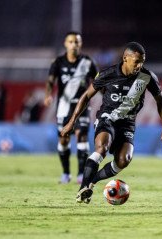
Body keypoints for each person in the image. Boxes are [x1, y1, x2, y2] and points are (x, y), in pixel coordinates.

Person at [60, 42, 162, 204]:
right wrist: (71, 122)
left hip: (127, 124)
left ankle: (92, 182)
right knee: (102, 147)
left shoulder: (147, 77)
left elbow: (160, 101)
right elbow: (86, 96)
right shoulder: (108, 73)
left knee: (123, 160)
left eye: (142, 61)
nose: (139, 65)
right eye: (136, 61)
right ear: (125, 58)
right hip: (107, 118)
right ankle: (83, 189)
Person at [44, 31, 98, 184]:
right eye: (71, 41)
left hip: (82, 107)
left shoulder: (88, 62)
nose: (74, 44)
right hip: (64, 107)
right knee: (64, 140)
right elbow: (50, 81)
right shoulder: (58, 62)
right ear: (65, 44)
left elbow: (97, 80)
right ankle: (66, 174)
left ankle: (81, 175)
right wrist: (48, 95)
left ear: (80, 44)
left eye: (77, 42)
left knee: (82, 136)